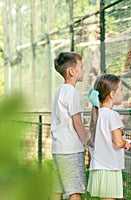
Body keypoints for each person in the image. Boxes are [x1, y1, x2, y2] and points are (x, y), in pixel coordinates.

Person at [50, 52, 88, 200]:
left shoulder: (59, 90)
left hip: (58, 149)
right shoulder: (73, 92)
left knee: (57, 190)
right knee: (75, 191)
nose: (84, 70)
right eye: (81, 67)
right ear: (71, 71)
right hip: (71, 150)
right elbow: (77, 122)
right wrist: (88, 143)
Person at [87, 74, 130, 200]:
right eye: (121, 90)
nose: (123, 93)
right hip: (110, 168)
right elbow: (118, 142)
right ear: (112, 94)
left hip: (98, 168)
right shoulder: (112, 115)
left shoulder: (97, 115)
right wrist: (125, 142)